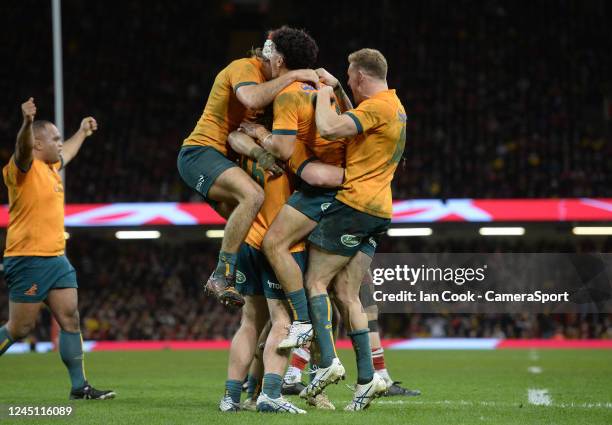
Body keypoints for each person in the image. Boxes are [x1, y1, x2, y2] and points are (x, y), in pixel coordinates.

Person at [301, 48, 407, 411]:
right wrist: (340, 92)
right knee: (347, 294)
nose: (347, 82)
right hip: (379, 212)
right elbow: (359, 116)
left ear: (361, 76)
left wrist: (322, 94)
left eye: (348, 78)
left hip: (354, 207)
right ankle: (367, 380)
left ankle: (327, 362)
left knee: (315, 282)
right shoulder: (394, 106)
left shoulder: (378, 108)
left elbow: (330, 128)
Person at [177, 39, 319, 308]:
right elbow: (251, 98)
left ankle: (264, 335)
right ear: (279, 62)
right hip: (200, 153)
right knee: (253, 196)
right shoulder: (244, 68)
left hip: (224, 160)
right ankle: (221, 275)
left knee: (252, 227)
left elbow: (237, 133)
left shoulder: (271, 94)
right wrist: (299, 74)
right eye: (291, 71)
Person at [0, 98, 115, 400]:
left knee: (70, 318)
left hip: (55, 258)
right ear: (38, 143)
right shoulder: (22, 168)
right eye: (55, 139)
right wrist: (26, 122)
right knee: (20, 328)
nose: (60, 144)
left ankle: (79, 387)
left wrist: (81, 133)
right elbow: (22, 150)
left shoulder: (51, 168)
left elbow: (69, 154)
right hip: (27, 258)